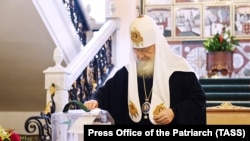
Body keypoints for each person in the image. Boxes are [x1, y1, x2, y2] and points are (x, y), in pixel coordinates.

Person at [84, 14, 206, 125]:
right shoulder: (126, 73)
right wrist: (95, 101)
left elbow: (198, 101)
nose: (140, 56)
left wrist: (174, 112)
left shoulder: (179, 70)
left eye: (145, 50)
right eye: (136, 50)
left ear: (157, 45)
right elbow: (105, 93)